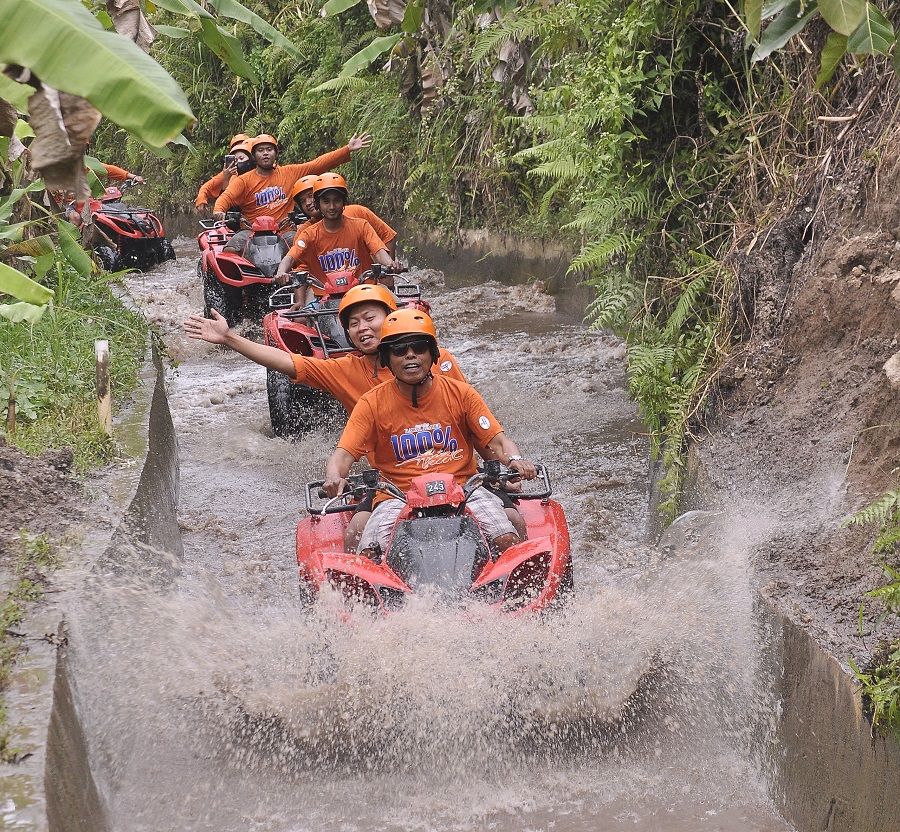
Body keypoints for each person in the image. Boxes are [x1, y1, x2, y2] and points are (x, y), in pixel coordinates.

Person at [183, 284, 469, 550]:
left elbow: (473, 419)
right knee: (356, 536)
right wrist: (229, 338)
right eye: (354, 324)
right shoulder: (346, 371)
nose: (362, 328)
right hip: (394, 482)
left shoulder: (439, 359)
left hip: (452, 473)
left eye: (370, 318)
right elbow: (287, 362)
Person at [323, 308, 537, 559]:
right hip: (396, 495)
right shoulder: (371, 403)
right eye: (399, 350)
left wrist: (515, 460)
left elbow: (499, 442)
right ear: (387, 359)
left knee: (507, 538)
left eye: (419, 348)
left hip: (464, 489)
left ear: (433, 354)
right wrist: (334, 477)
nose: (410, 355)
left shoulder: (461, 393)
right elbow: (343, 455)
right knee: (369, 553)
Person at [276, 173, 400, 306]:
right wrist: (281, 272)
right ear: (318, 204)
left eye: (337, 200)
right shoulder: (308, 234)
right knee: (303, 316)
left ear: (344, 201)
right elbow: (291, 257)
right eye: (326, 202)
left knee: (397, 309)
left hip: (364, 289)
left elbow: (379, 251)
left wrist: (390, 264)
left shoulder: (361, 225)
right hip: (324, 296)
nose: (332, 207)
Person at [213, 133, 371, 225]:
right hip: (251, 232)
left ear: (276, 153)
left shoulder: (289, 172)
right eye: (261, 150)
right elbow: (226, 197)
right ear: (254, 156)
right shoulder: (243, 180)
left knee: (302, 250)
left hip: (285, 231)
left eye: (269, 149)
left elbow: (317, 165)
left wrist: (347, 149)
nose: (265, 153)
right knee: (231, 250)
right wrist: (219, 210)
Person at [290, 174, 398, 258]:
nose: (308, 203)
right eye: (303, 201)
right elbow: (298, 264)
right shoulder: (305, 232)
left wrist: (387, 271)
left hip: (362, 277)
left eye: (310, 196)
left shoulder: (358, 214)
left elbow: (387, 236)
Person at [194, 133, 253, 214]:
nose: (239, 149)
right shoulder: (230, 173)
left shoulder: (263, 171)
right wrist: (201, 199)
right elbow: (223, 195)